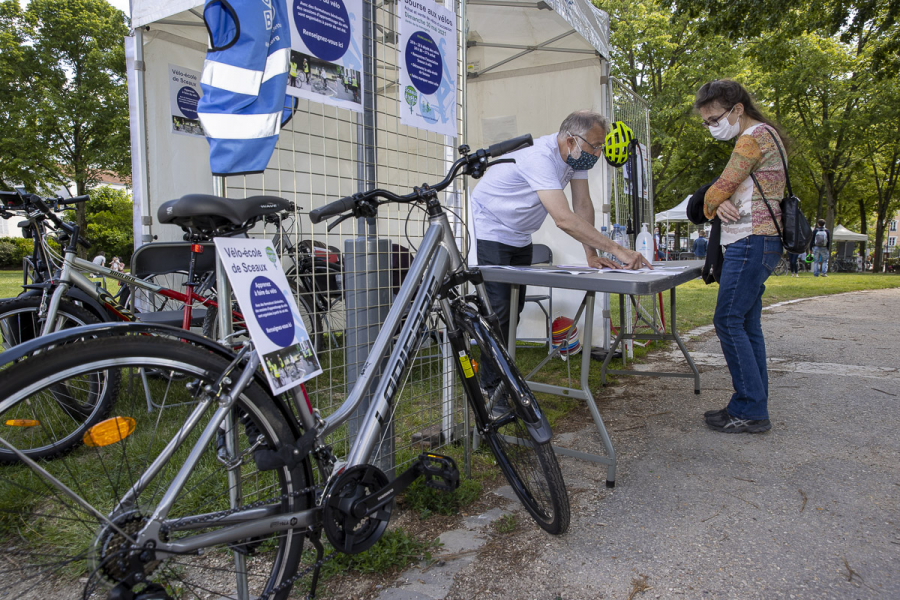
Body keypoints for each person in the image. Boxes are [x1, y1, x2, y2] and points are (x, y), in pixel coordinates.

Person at [470, 110, 651, 409]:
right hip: (490, 228)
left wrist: (592, 254)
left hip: (520, 234)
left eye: (600, 147)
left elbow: (582, 205)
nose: (597, 153)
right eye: (595, 146)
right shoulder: (538, 157)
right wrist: (618, 250)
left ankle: (503, 379)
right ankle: (491, 389)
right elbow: (564, 218)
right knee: (499, 314)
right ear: (571, 140)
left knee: (511, 312)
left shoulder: (574, 157)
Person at [695, 79, 786, 434]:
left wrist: (714, 202)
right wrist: (719, 201)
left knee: (728, 320)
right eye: (706, 121)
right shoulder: (769, 135)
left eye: (713, 118)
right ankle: (753, 402)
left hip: (751, 239)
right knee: (747, 324)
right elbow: (724, 192)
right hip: (761, 240)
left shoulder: (752, 138)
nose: (710, 126)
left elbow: (718, 189)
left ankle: (749, 408)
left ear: (737, 109)